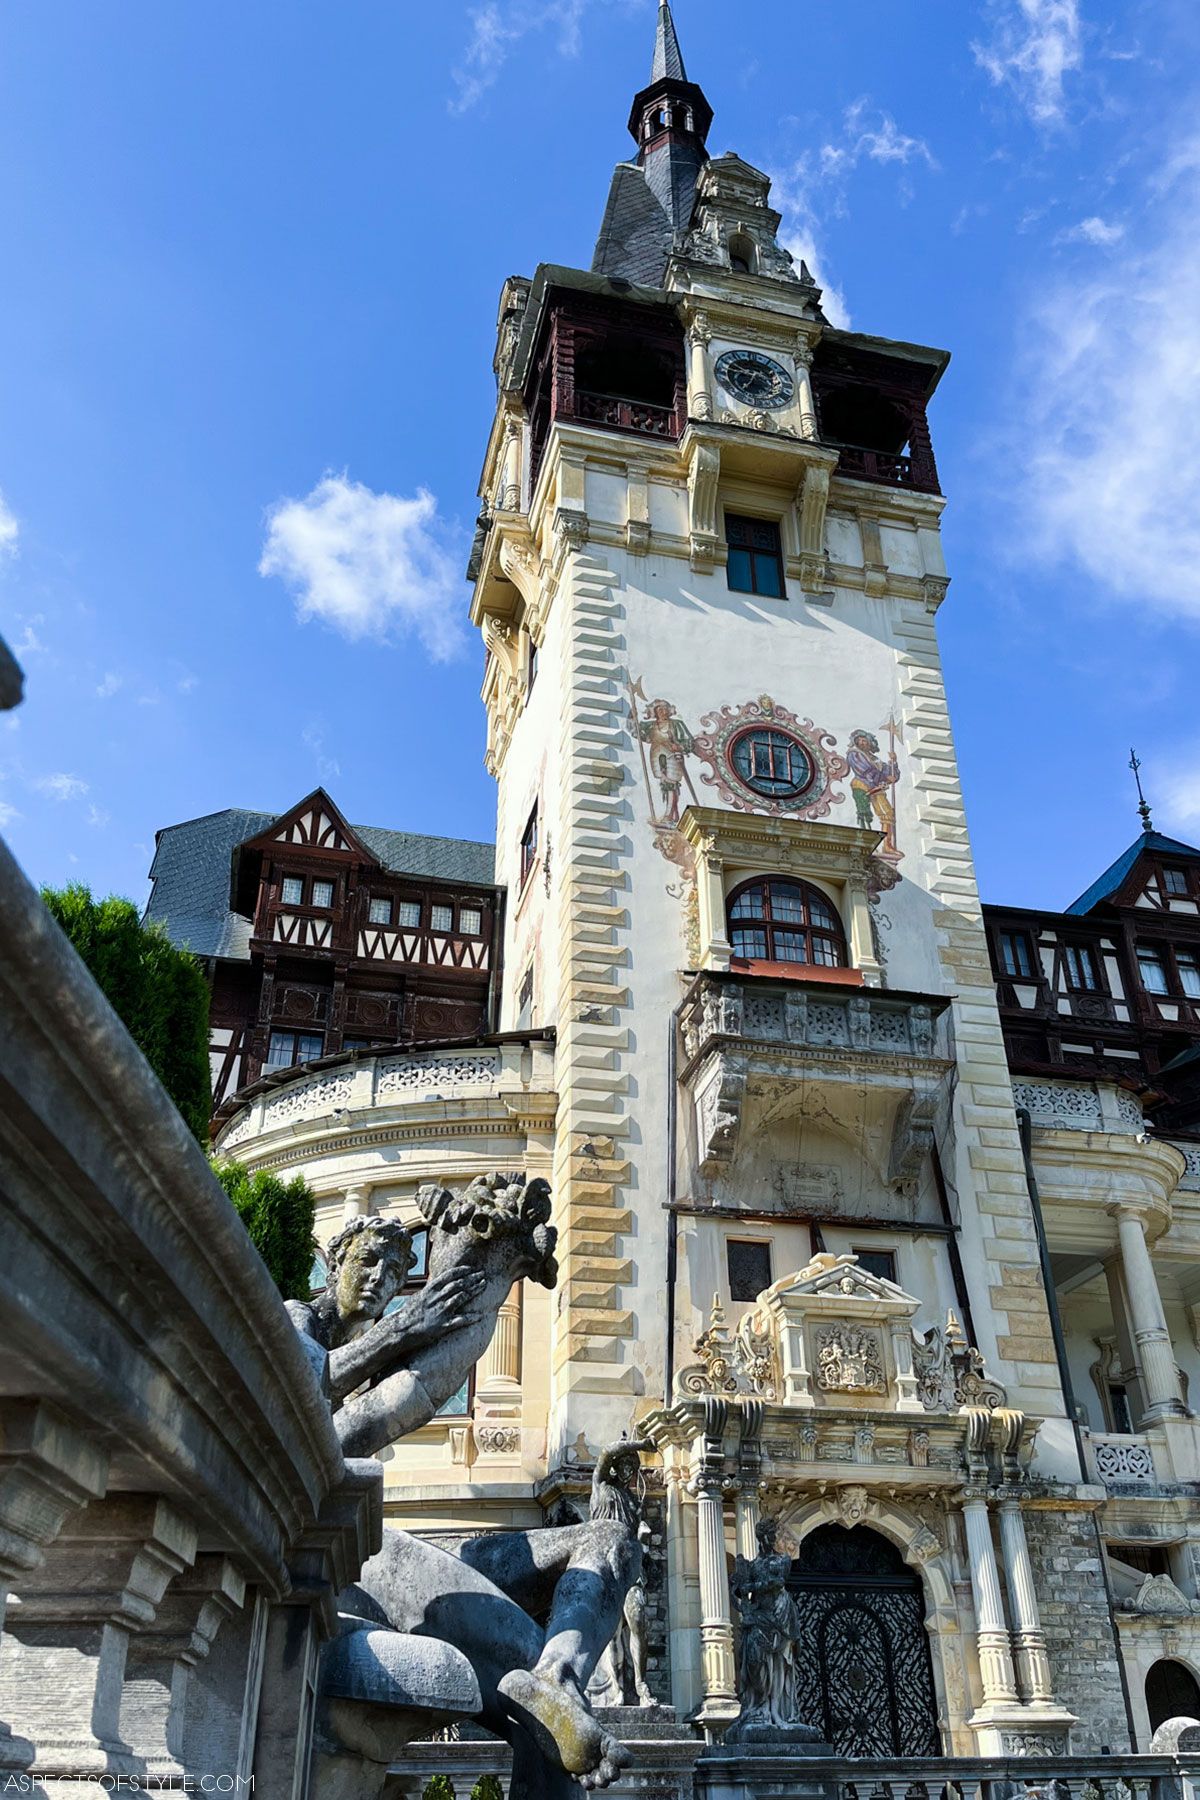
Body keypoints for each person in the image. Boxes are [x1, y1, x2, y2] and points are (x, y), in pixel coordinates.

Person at [290, 1176, 638, 1794]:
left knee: (609, 1541)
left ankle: (561, 1675)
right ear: (332, 1262)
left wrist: (483, 1280)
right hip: (347, 1548)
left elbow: (414, 1394)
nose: (382, 1282)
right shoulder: (301, 1324)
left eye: (398, 1272)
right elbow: (322, 1435)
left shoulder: (381, 1348)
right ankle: (547, 1700)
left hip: (400, 1547)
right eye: (367, 1262)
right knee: (534, 1707)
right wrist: (407, 1326)